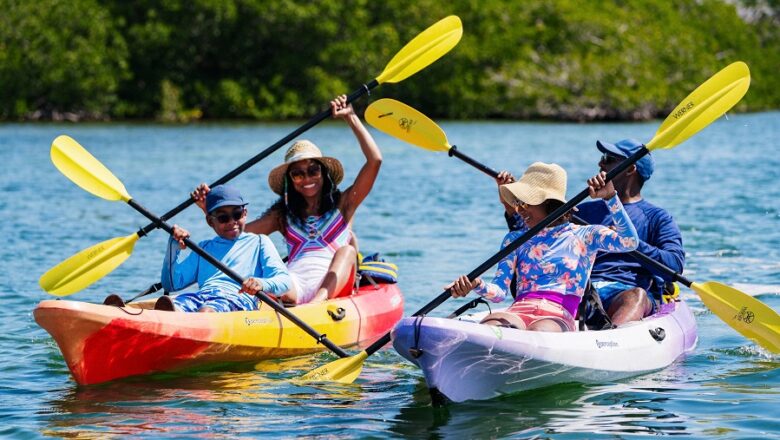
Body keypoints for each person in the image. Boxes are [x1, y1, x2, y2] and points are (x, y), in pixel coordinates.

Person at [192, 94, 381, 304]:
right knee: (262, 275)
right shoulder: (283, 215)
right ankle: (217, 302)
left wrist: (351, 117)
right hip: (294, 285)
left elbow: (375, 161)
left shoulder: (345, 204)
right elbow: (236, 233)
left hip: (335, 284)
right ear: (290, 181)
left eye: (313, 170)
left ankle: (316, 304)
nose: (307, 178)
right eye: (298, 174)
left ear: (323, 173)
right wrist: (209, 208)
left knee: (347, 250)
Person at [448, 162, 639, 332]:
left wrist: (611, 198)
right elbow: (499, 293)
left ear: (548, 203)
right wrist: (476, 285)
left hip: (557, 316)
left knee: (539, 331)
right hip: (518, 311)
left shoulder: (586, 235)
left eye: (525, 202)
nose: (519, 209)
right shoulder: (515, 239)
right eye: (517, 203)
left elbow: (630, 242)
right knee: (490, 325)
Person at [575, 139, 685, 325]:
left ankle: (613, 338)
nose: (600, 163)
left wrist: (628, 241)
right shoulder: (582, 212)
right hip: (582, 288)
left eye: (608, 158)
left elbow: (674, 266)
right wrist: (515, 212)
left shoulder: (657, 217)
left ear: (629, 169)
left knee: (636, 296)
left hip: (624, 293)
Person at [157, 184, 292, 312]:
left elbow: (284, 281)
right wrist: (174, 245)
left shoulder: (260, 242)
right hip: (203, 296)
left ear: (245, 214)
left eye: (237, 214)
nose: (232, 221)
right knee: (173, 307)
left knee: (206, 311)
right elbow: (171, 284)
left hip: (238, 300)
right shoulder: (203, 248)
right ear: (210, 221)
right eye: (223, 218)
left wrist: (261, 283)